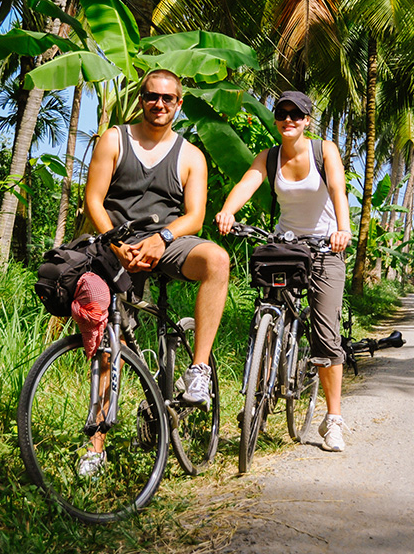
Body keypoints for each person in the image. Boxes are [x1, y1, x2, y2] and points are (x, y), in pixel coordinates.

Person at [79, 68, 230, 475]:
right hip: (118, 243)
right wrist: (115, 243)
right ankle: (96, 443)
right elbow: (94, 200)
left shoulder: (190, 155)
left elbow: (195, 216)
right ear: (141, 99)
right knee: (112, 346)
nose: (159, 104)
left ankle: (198, 369)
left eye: (168, 98)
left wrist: (161, 238)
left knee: (217, 260)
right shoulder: (115, 139)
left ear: (179, 104)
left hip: (166, 242)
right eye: (151, 96)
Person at [215, 90, 352, 452]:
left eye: (296, 114)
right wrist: (229, 210)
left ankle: (333, 419)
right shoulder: (269, 157)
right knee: (264, 310)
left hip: (325, 247)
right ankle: (263, 375)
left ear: (307, 120)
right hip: (286, 246)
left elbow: (337, 188)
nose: (288, 119)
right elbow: (248, 183)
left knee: (325, 333)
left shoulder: (324, 151)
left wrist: (343, 228)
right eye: (282, 113)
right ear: (276, 118)